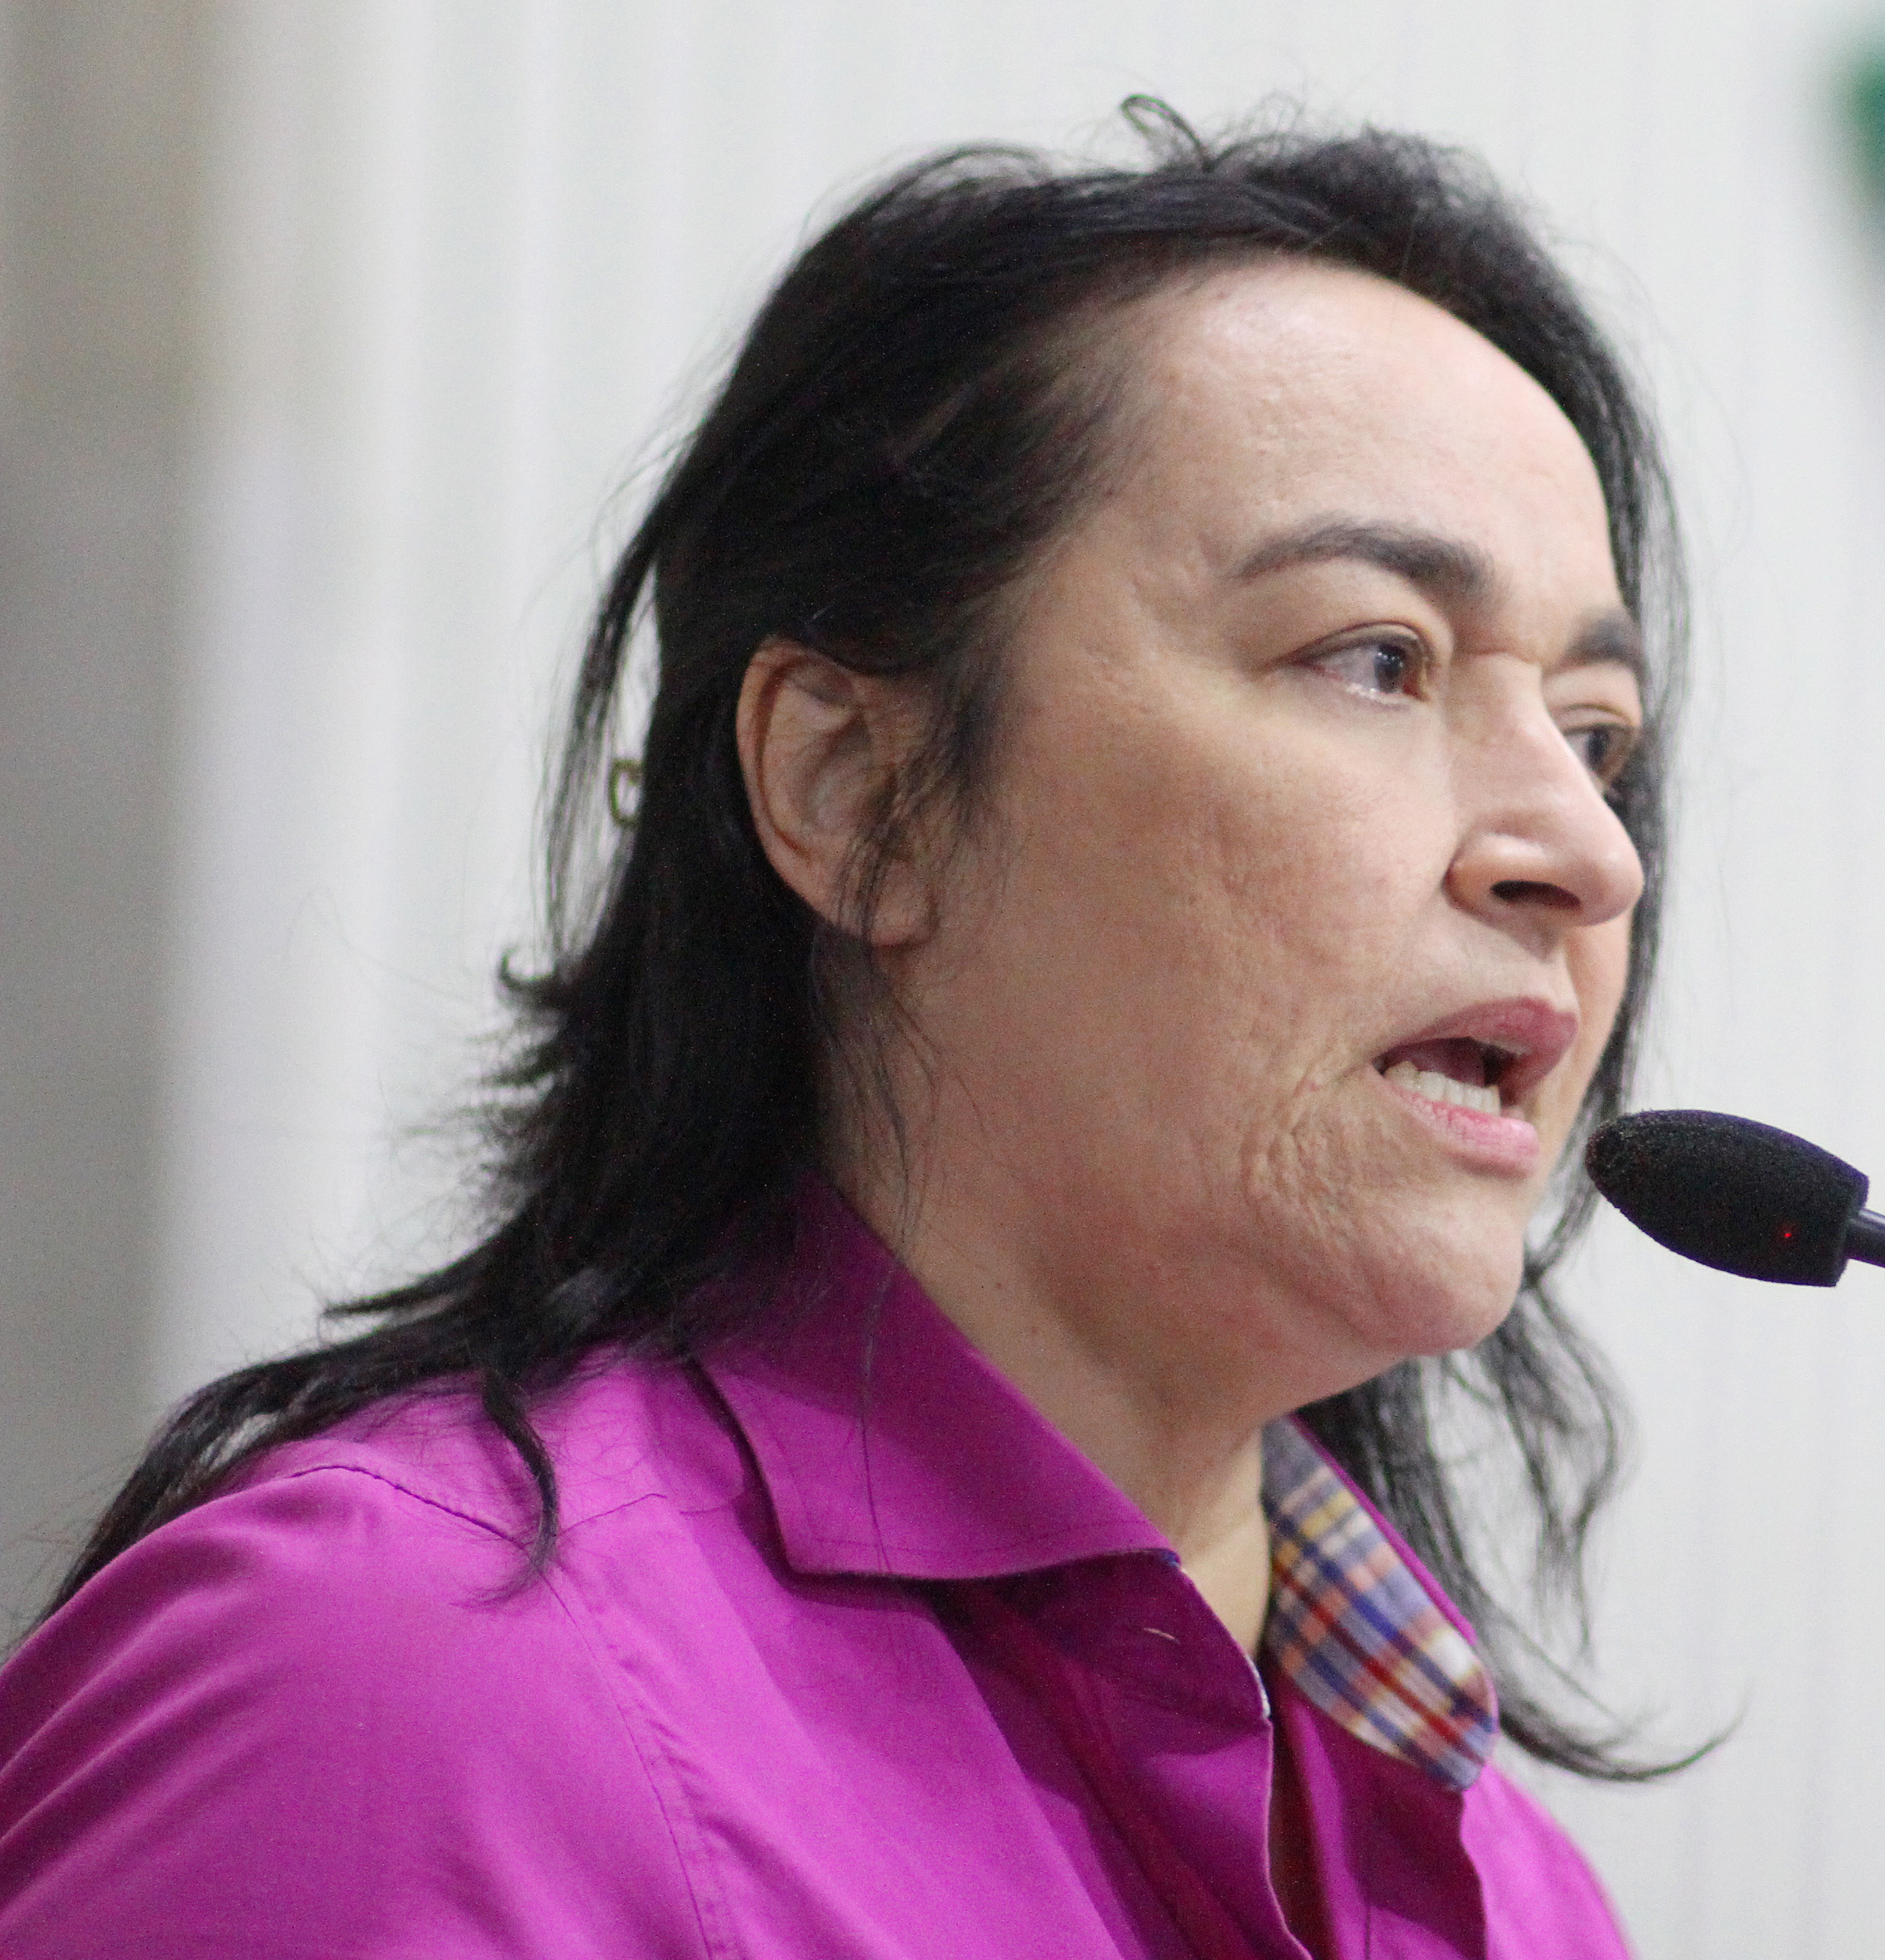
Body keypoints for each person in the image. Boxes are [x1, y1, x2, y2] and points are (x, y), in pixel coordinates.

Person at [0, 111, 1679, 1956]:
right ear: (858, 793)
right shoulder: (392, 1702)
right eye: (1375, 657)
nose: (1585, 852)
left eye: (1596, 733)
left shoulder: (1521, 1890)